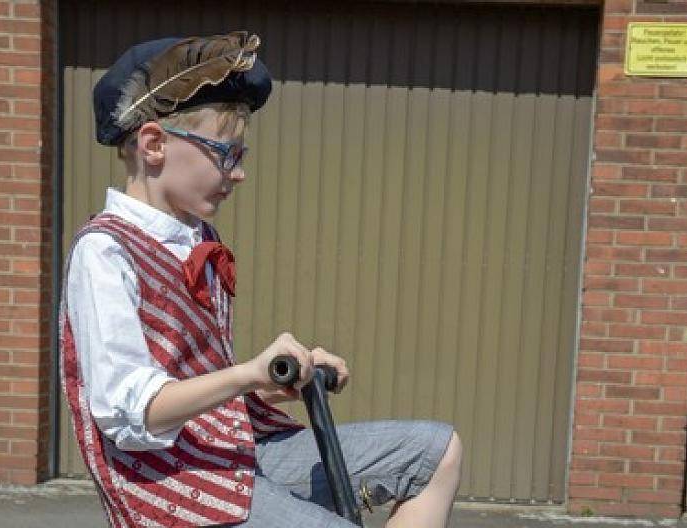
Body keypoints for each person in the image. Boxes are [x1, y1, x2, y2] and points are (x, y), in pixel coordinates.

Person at [60, 32, 462, 527]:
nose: (239, 173)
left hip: (229, 447)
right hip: (167, 484)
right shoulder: (105, 252)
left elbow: (199, 386)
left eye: (241, 156)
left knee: (435, 451)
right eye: (225, 153)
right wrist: (250, 373)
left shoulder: (197, 238)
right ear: (154, 144)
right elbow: (131, 414)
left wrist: (281, 377)